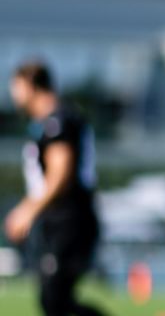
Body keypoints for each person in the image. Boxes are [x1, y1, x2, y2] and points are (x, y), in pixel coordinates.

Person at [4, 60, 108, 316]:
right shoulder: (46, 124)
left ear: (31, 86)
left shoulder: (58, 121)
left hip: (70, 219)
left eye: (16, 86)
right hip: (58, 220)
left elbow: (59, 174)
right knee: (53, 300)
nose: (12, 94)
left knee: (54, 298)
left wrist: (26, 211)